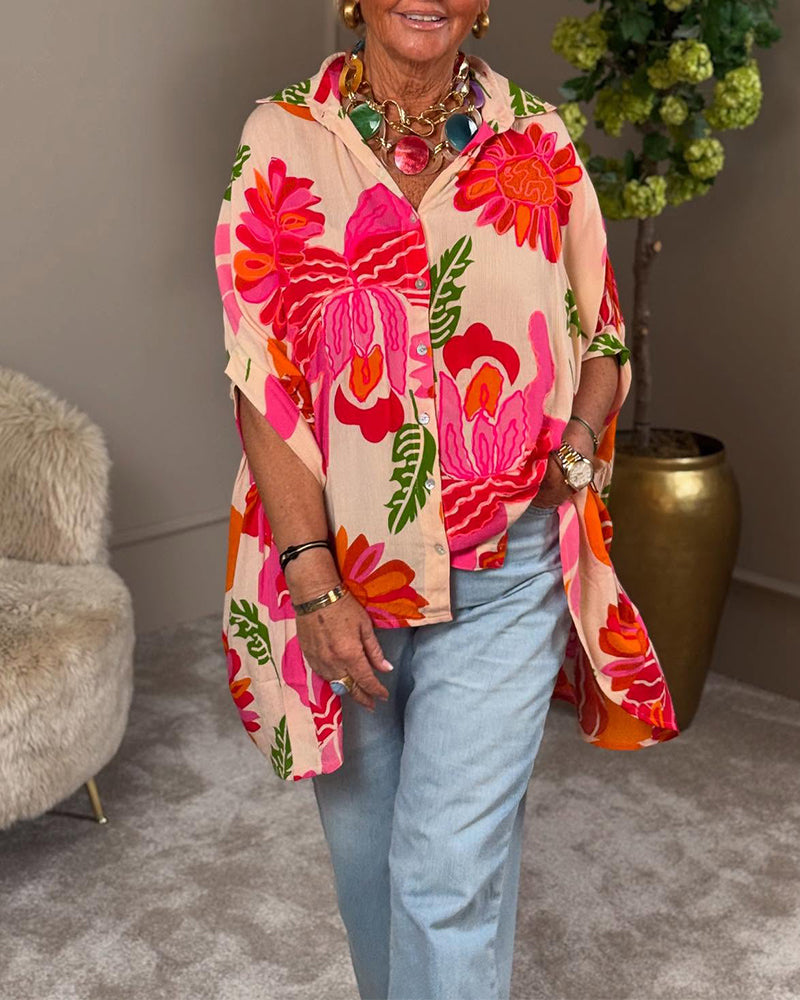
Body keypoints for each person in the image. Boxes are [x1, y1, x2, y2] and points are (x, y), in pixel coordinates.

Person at [213, 2, 680, 997]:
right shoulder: (282, 136)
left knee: (443, 876)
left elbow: (600, 337)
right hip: (340, 575)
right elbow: (260, 375)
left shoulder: (539, 140)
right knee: (371, 875)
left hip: (505, 572)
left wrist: (578, 444)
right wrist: (311, 579)